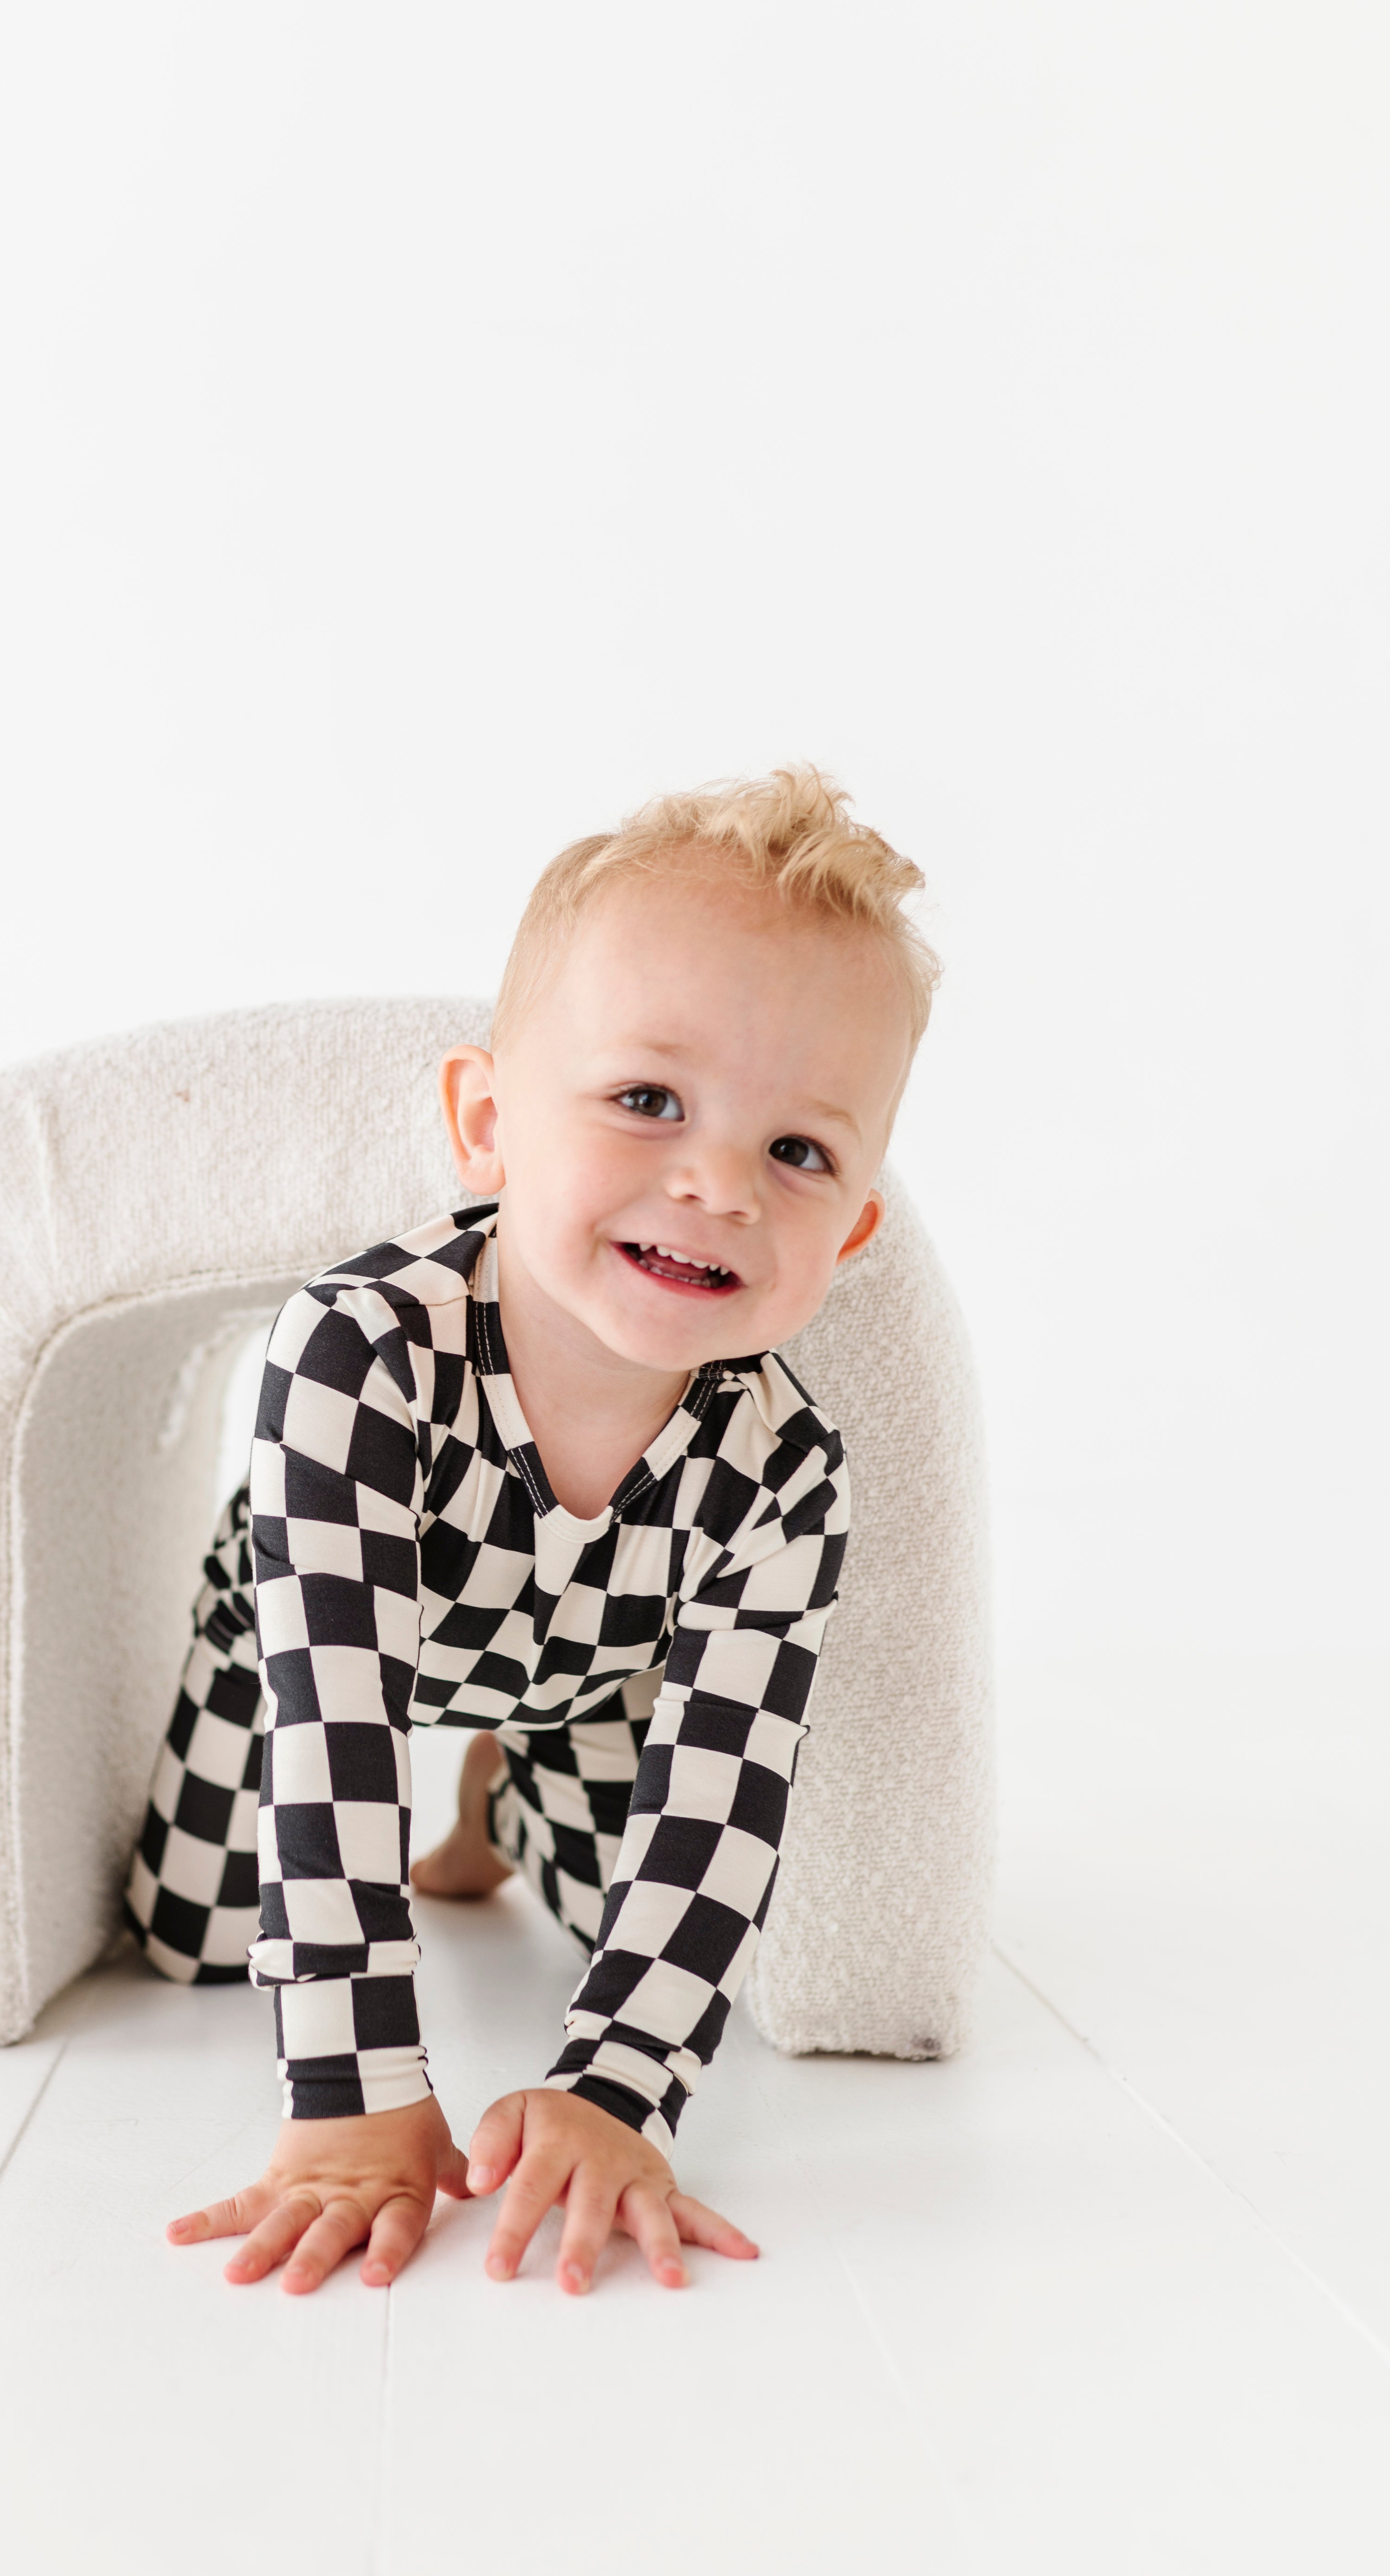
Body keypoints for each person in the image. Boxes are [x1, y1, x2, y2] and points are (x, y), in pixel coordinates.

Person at [129, 768, 936, 2296]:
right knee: (186, 1936)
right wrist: (353, 2104)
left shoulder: (785, 1468)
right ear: (489, 1124)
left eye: (801, 1153)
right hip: (329, 1636)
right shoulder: (360, 1356)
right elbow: (336, 1742)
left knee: (597, 1920)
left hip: (586, 1668)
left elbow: (719, 1807)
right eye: (648, 1102)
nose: (715, 1184)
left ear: (853, 1230)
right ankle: (467, 1782)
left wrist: (613, 2092)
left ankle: (496, 1799)